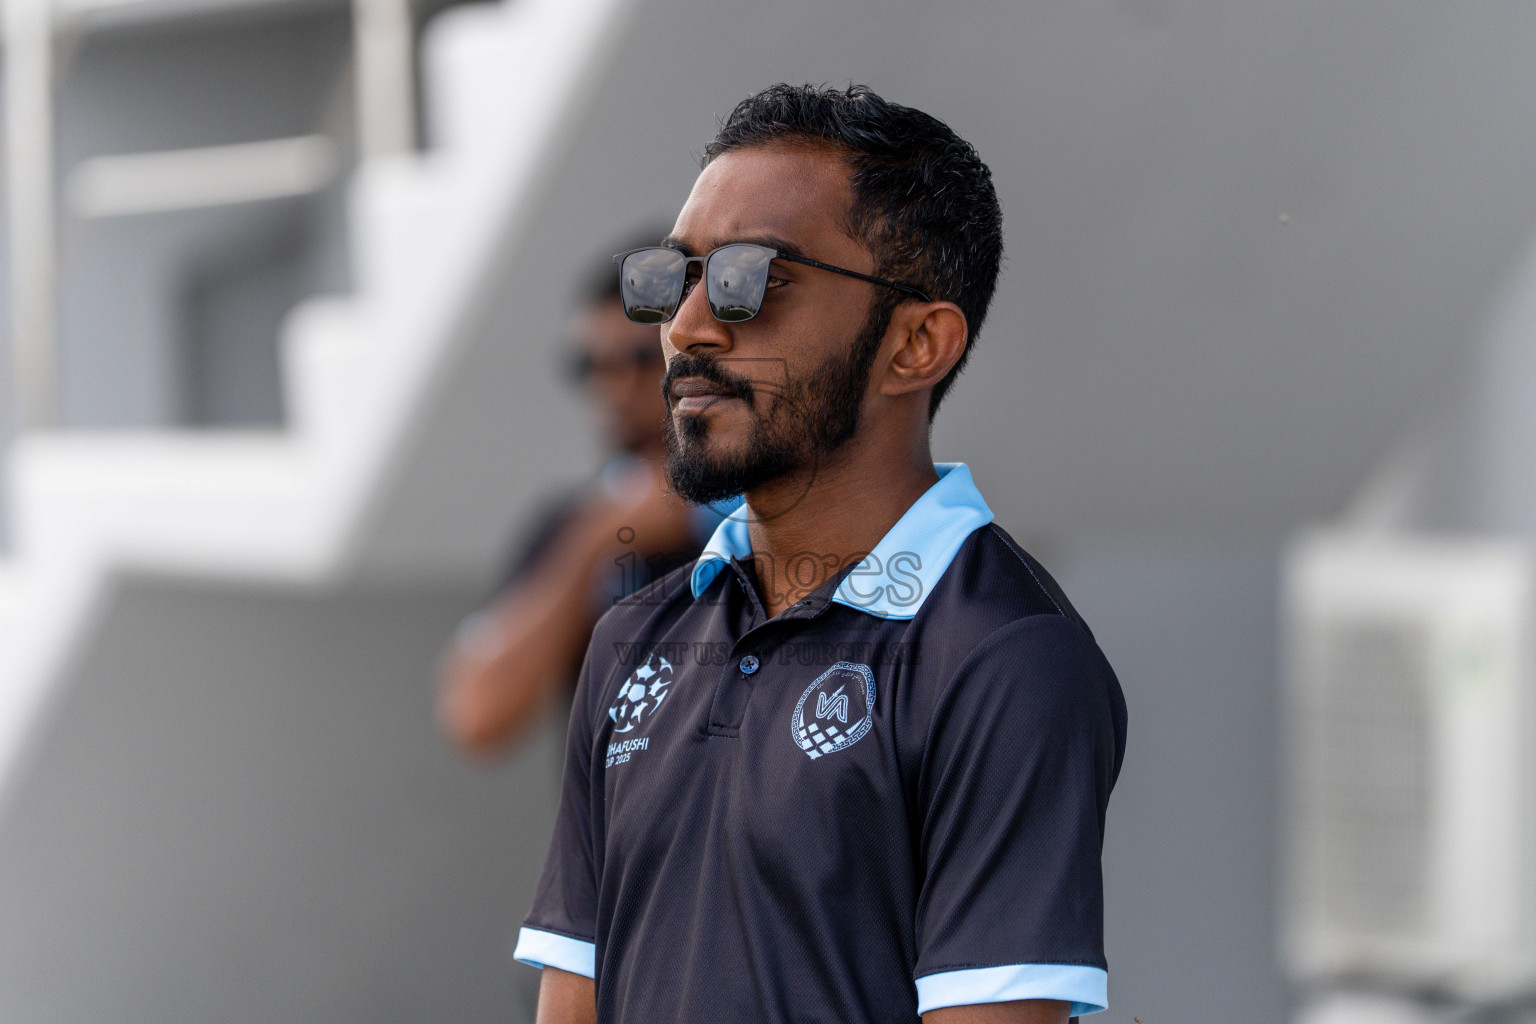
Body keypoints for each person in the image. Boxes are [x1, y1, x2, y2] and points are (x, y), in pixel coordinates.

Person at [513, 84, 1128, 1024]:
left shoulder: (1006, 657)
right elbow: (572, 1005)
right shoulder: (633, 637)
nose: (686, 326)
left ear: (916, 344)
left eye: (751, 278)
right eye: (674, 278)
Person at [435, 242, 721, 757]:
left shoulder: (764, 511)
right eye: (589, 364)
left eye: (638, 358)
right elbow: (477, 715)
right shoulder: (574, 524)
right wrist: (599, 540)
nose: (612, 385)